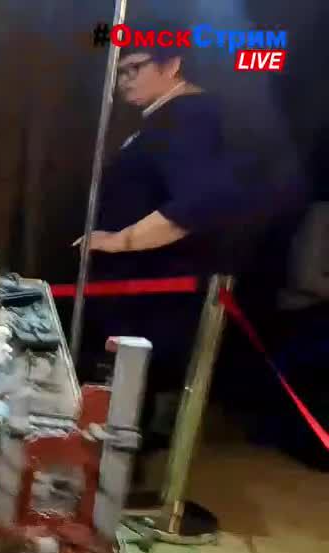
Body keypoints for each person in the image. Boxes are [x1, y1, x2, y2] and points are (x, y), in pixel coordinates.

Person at [76, 44, 244, 448]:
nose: (124, 80)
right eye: (120, 72)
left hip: (150, 291)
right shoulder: (165, 118)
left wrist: (121, 240)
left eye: (135, 67)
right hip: (137, 290)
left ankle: (113, 477)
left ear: (172, 65)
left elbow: (199, 203)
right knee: (120, 403)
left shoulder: (188, 118)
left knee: (123, 407)